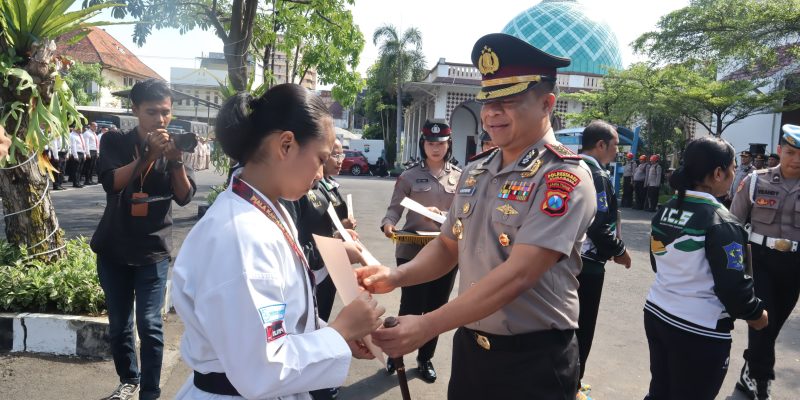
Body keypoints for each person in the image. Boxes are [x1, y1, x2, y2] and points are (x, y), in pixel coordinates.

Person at [359, 33, 596, 399]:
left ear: (547, 103)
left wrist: (425, 326)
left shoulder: (561, 178)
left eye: (509, 101)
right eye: (487, 101)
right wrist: (397, 275)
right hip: (471, 351)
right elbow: (448, 245)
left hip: (532, 363)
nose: (491, 112)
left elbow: (517, 275)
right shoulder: (476, 170)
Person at [171, 83, 384, 400]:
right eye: (320, 158)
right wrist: (340, 332)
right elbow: (261, 368)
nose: (321, 174)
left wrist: (329, 335)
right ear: (286, 145)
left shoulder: (263, 212)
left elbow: (277, 319)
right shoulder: (242, 237)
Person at [91, 79, 197, 400]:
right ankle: (130, 380)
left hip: (153, 250)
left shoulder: (173, 145)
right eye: (152, 112)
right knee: (120, 325)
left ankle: (149, 392)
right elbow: (112, 183)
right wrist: (147, 156)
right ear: (135, 110)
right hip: (114, 248)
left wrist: (176, 158)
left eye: (165, 112)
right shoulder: (115, 141)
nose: (160, 120)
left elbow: (184, 196)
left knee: (150, 325)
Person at [646, 136, 768, 400]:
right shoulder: (722, 222)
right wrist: (756, 314)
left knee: (660, 392)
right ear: (718, 173)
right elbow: (733, 287)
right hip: (698, 329)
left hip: (657, 312)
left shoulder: (666, 209)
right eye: (733, 168)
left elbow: (658, 261)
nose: (734, 174)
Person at [379, 119, 461, 383]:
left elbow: (464, 215)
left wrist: (445, 215)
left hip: (446, 251)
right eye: (430, 143)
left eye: (440, 143)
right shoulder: (409, 176)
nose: (435, 148)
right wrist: (388, 223)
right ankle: (396, 355)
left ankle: (425, 358)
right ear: (422, 144)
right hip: (412, 249)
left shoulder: (460, 178)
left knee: (436, 307)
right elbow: (394, 208)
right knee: (411, 305)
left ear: (449, 144)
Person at [730, 124, 800, 400]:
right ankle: (761, 380)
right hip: (760, 260)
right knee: (764, 321)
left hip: (795, 265)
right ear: (780, 151)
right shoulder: (756, 181)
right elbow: (733, 224)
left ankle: (750, 369)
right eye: (791, 152)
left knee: (775, 325)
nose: (796, 159)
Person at [575, 121, 632, 400]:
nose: (616, 153)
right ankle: (572, 384)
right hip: (588, 262)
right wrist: (620, 251)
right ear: (600, 145)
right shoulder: (596, 173)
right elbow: (599, 225)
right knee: (582, 326)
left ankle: (569, 379)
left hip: (565, 258)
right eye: (614, 147)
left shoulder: (570, 165)